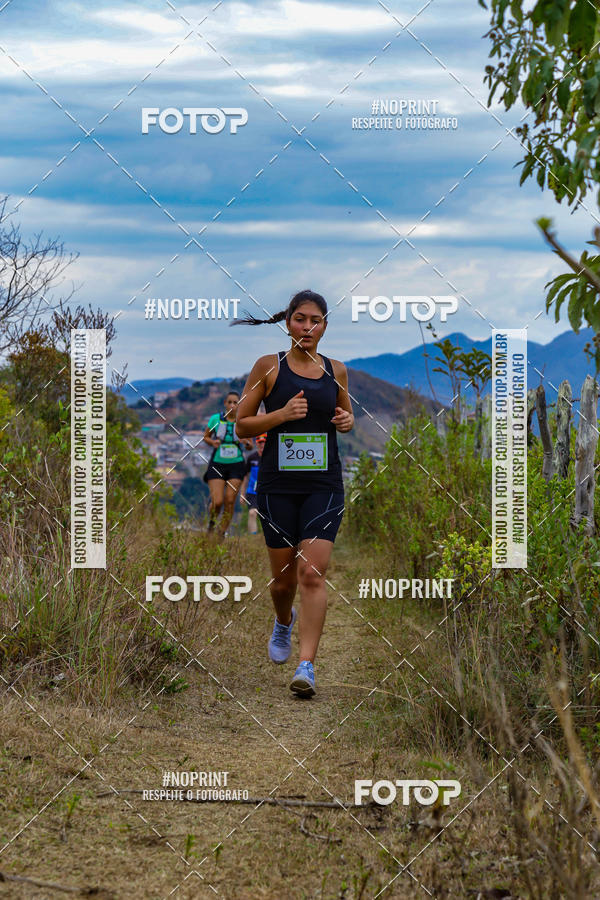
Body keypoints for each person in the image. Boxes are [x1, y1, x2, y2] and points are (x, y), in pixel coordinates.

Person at [233, 289, 354, 698]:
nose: (307, 327)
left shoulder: (337, 370)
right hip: (277, 487)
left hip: (323, 484)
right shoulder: (269, 367)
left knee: (311, 573)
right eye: (300, 319)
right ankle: (283, 620)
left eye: (315, 320)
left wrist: (346, 421)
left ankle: (306, 666)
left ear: (324, 325)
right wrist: (281, 415)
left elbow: (344, 414)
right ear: (288, 322)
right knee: (283, 582)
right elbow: (242, 426)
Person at [203, 390, 252, 536]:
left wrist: (246, 443)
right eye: (229, 402)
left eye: (235, 402)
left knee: (230, 500)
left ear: (239, 404)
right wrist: (213, 442)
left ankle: (220, 533)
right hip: (217, 464)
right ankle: (211, 524)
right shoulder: (215, 420)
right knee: (217, 501)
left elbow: (250, 445)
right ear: (225, 403)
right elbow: (206, 437)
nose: (232, 405)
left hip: (236, 465)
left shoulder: (243, 422)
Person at [241, 433, 267, 534]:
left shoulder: (270, 458)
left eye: (264, 443)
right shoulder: (252, 458)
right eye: (260, 443)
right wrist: (242, 494)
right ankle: (253, 536)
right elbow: (245, 476)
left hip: (267, 490)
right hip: (253, 491)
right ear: (256, 444)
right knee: (252, 513)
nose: (262, 445)